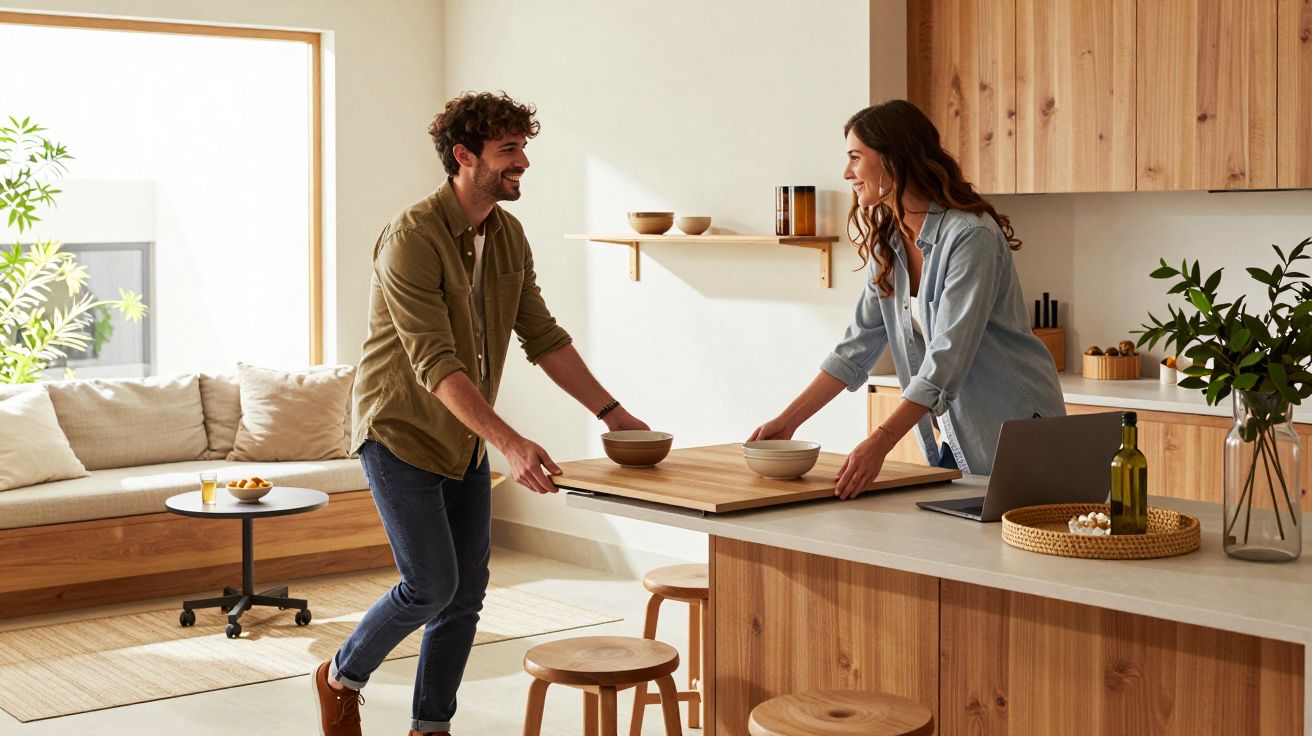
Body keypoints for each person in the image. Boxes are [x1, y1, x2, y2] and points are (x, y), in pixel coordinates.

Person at [311, 91, 649, 736]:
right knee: (431, 585)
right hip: (400, 429)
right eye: (508, 151)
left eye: (523, 148)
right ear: (464, 157)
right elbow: (434, 362)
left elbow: (542, 334)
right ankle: (340, 677)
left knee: (465, 597)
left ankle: (430, 727)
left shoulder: (508, 234)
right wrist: (513, 443)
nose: (522, 162)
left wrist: (613, 413)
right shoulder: (412, 237)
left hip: (463, 437)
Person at [750, 99, 1063, 499]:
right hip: (958, 436)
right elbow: (853, 351)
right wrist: (787, 422)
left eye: (855, 158)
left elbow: (945, 359)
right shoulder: (890, 245)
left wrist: (879, 443)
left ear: (894, 160)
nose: (847, 173)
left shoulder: (970, 237)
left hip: (1021, 430)